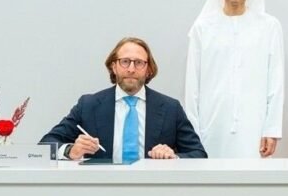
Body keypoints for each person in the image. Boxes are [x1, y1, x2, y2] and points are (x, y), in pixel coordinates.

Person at [41, 37, 207, 160]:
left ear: (148, 69)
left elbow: (199, 154)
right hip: (101, 193)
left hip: (153, 192)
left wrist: (174, 157)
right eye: (125, 62)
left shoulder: (171, 108)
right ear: (114, 66)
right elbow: (45, 144)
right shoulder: (89, 105)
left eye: (139, 63)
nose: (131, 69)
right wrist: (71, 150)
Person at [185, 0, 284, 158]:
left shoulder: (269, 26)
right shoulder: (203, 28)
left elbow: (276, 81)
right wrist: (192, 131)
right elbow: (192, 83)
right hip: (211, 124)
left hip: (254, 126)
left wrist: (271, 129)